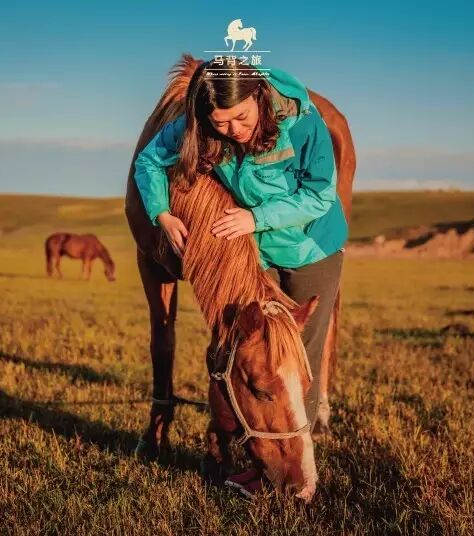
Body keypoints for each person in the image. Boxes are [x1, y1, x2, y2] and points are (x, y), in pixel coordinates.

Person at [133, 59, 347, 496]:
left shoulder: (303, 123)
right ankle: (247, 450)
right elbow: (149, 160)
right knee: (254, 354)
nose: (234, 130)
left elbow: (320, 194)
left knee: (294, 359)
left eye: (242, 118)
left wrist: (255, 218)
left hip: (311, 247)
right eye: (220, 123)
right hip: (260, 251)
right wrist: (161, 213)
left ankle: (294, 472)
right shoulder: (200, 128)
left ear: (258, 96)